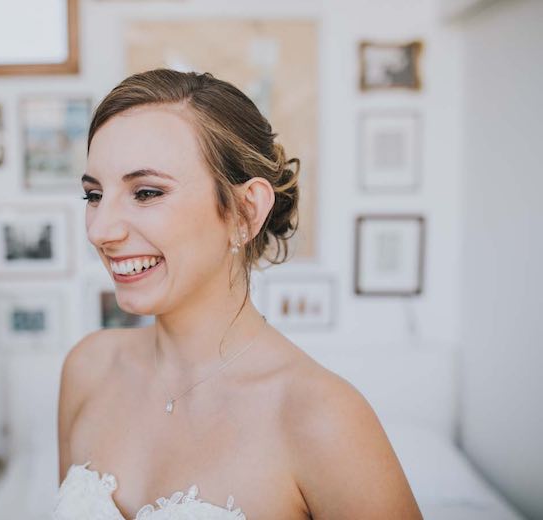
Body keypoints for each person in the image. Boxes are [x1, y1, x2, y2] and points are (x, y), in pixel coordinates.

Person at [55, 69, 422, 519]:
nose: (101, 230)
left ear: (246, 212)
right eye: (93, 196)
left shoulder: (321, 417)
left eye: (146, 192)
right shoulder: (87, 369)